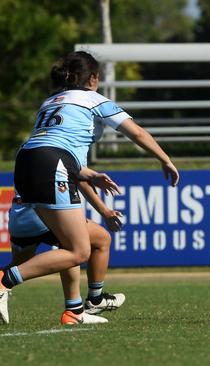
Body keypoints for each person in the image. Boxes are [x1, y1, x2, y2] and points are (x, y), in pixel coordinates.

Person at [0, 50, 180, 324]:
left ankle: (75, 310)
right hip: (53, 164)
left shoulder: (50, 102)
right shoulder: (94, 100)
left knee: (78, 242)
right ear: (94, 78)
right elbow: (137, 132)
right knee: (79, 250)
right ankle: (5, 280)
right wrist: (165, 159)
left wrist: (91, 182)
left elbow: (58, 155)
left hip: (26, 160)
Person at [7, 180, 125, 325]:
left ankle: (3, 282)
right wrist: (104, 211)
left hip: (19, 213)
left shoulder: (24, 156)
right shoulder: (56, 156)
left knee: (19, 264)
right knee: (93, 242)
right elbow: (80, 176)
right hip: (45, 210)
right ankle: (91, 302)